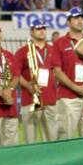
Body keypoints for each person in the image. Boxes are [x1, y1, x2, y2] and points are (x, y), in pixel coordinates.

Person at [14, 14, 59, 143]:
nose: (42, 31)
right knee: (30, 141)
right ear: (31, 31)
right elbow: (16, 74)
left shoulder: (52, 50)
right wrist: (29, 86)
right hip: (30, 99)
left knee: (52, 140)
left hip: (50, 100)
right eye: (38, 28)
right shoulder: (22, 51)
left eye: (44, 28)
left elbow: (58, 72)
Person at [52, 6, 83, 139]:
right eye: (76, 18)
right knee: (65, 138)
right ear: (68, 22)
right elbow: (57, 71)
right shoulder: (59, 43)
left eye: (82, 18)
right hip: (68, 97)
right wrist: (76, 88)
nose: (80, 21)